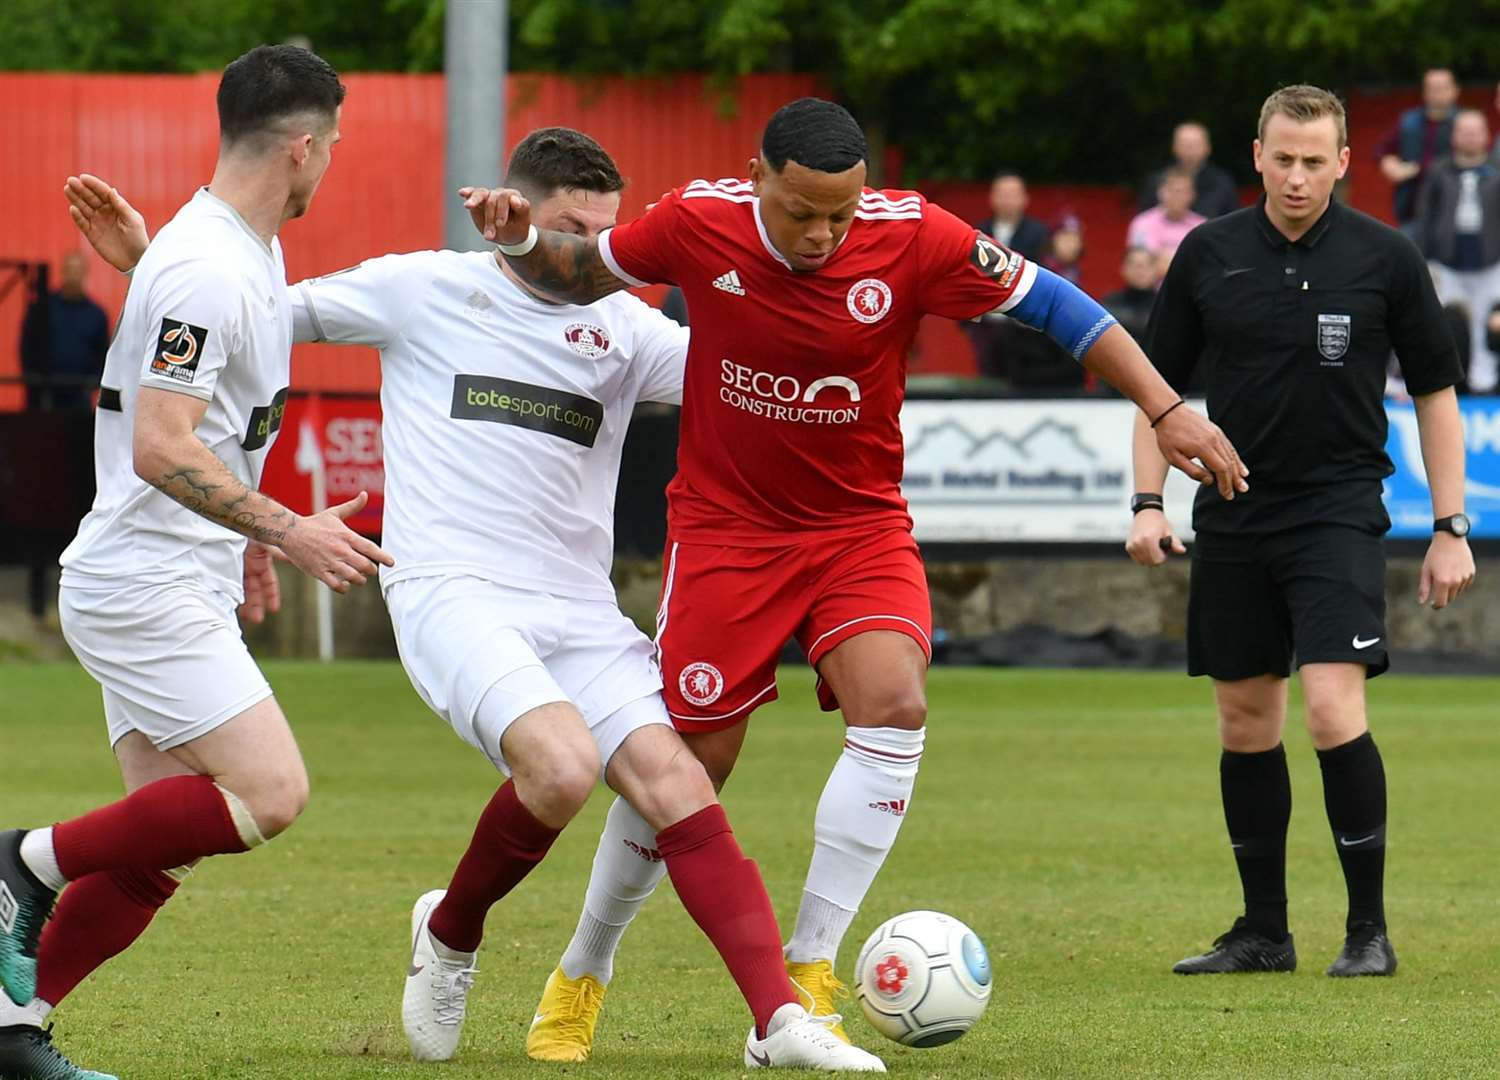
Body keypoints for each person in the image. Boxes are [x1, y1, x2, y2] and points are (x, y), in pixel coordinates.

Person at [67, 128, 887, 1073]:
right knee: (563, 768)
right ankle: (455, 936)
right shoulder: (423, 287)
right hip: (451, 593)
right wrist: (148, 264)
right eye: (575, 232)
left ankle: (776, 1021)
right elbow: (254, 323)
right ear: (522, 212)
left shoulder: (626, 327)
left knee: (678, 785)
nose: (595, 259)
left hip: (577, 608)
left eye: (606, 239)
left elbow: (755, 379)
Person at [464, 96, 1247, 1059]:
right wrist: (521, 238)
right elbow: (581, 273)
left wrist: (1166, 408)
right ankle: (586, 966)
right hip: (726, 535)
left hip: (855, 529)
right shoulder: (696, 219)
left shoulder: (912, 234)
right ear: (758, 179)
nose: (824, 233)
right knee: (689, 765)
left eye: (841, 212)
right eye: (802, 213)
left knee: (896, 705)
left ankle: (809, 968)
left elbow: (1059, 307)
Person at [0, 46, 388, 1080]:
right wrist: (285, 530)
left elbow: (208, 404)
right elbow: (162, 444)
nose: (331, 165)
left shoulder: (229, 248)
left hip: (178, 572)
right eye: (334, 147)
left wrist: (244, 545)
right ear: (302, 148)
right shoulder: (209, 263)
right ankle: (21, 860)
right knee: (269, 793)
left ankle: (12, 1028)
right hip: (143, 583)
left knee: (154, 848)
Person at [1126, 85, 1475, 978]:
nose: (1297, 176)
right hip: (1234, 513)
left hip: (1338, 509)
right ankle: (1262, 933)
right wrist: (1148, 503)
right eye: (1283, 158)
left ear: (1345, 162)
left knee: (1329, 707)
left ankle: (1368, 932)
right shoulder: (1206, 255)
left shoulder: (1387, 258)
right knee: (1245, 722)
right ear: (1256, 155)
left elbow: (1437, 395)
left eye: (1315, 160)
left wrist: (1450, 525)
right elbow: (1155, 393)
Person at [1417, 109, 1500, 393]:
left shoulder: (1497, 169)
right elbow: (1425, 215)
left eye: (1475, 131)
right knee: (1440, 325)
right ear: (1454, 135)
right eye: (1463, 130)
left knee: (1483, 326)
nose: (1469, 136)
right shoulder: (1439, 171)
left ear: (1486, 135)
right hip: (1446, 263)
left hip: (1490, 263)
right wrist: (1423, 258)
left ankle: (1483, 385)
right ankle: (1444, 383)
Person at [18, 252, 110, 411]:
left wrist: (91, 384)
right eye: (69, 270)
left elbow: (103, 353)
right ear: (63, 272)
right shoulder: (42, 308)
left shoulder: (96, 315)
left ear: (84, 273)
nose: (73, 276)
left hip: (79, 399)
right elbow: (27, 346)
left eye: (77, 271)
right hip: (44, 398)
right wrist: (33, 381)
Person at [1375, 67, 1459, 232]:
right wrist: (1389, 163)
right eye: (1432, 89)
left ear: (1455, 91)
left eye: (1442, 88)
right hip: (1411, 211)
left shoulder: (1463, 123)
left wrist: (1416, 168)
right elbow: (1381, 149)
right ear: (1424, 92)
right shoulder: (1409, 121)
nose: (1437, 94)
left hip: (1452, 211)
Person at [1139, 122, 1240, 219]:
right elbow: (1144, 220)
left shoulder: (1222, 182)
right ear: (1174, 147)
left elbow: (1233, 222)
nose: (1190, 149)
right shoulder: (1157, 181)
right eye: (1185, 143)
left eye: (1195, 144)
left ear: (1208, 147)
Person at [1128, 169, 1207, 263]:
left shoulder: (1202, 226)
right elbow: (1140, 263)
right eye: (1172, 190)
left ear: (1193, 195)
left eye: (1183, 191)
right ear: (1160, 192)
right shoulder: (1142, 222)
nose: (1177, 196)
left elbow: (1205, 263)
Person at [977, 170, 1050, 263]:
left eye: (1013, 194)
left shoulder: (1039, 233)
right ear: (991, 197)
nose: (1007, 200)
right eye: (1003, 194)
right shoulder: (980, 232)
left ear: (1025, 198)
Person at [1101, 246, 1160, 344]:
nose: (1139, 270)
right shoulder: (1110, 303)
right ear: (1123, 269)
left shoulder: (1164, 306)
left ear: (1156, 270)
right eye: (1133, 265)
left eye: (1146, 265)